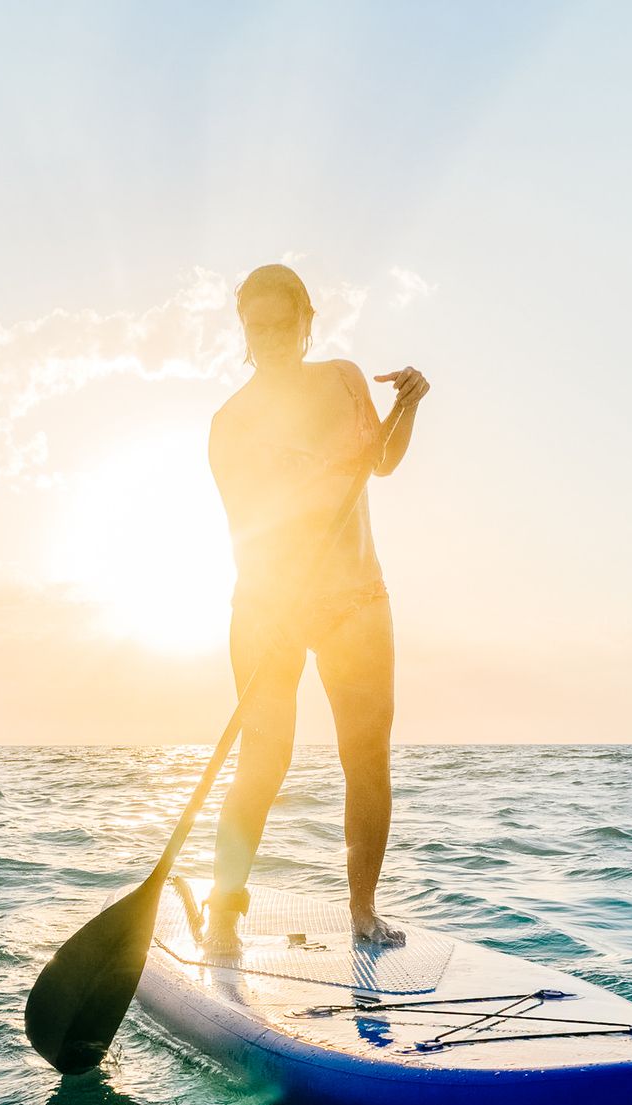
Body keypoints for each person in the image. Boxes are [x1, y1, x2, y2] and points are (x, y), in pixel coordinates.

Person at [202, 262, 430, 950]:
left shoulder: (341, 380)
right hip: (270, 603)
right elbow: (247, 527)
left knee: (366, 758)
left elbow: (380, 463)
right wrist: (278, 599)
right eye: (255, 326)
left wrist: (406, 405)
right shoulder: (231, 422)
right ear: (243, 331)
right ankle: (222, 910)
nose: (269, 336)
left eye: (281, 322)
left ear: (306, 321)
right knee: (263, 761)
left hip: (357, 598)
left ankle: (362, 912)